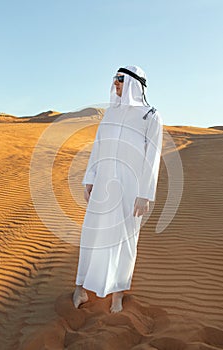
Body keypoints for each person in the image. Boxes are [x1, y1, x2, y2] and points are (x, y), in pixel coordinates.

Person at [73, 65, 163, 313]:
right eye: (114, 78)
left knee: (124, 241)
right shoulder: (109, 114)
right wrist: (90, 178)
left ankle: (117, 295)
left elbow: (152, 158)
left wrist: (145, 194)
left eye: (120, 79)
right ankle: (80, 289)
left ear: (134, 83)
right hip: (103, 184)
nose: (115, 83)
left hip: (131, 190)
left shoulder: (150, 116)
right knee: (92, 235)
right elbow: (98, 146)